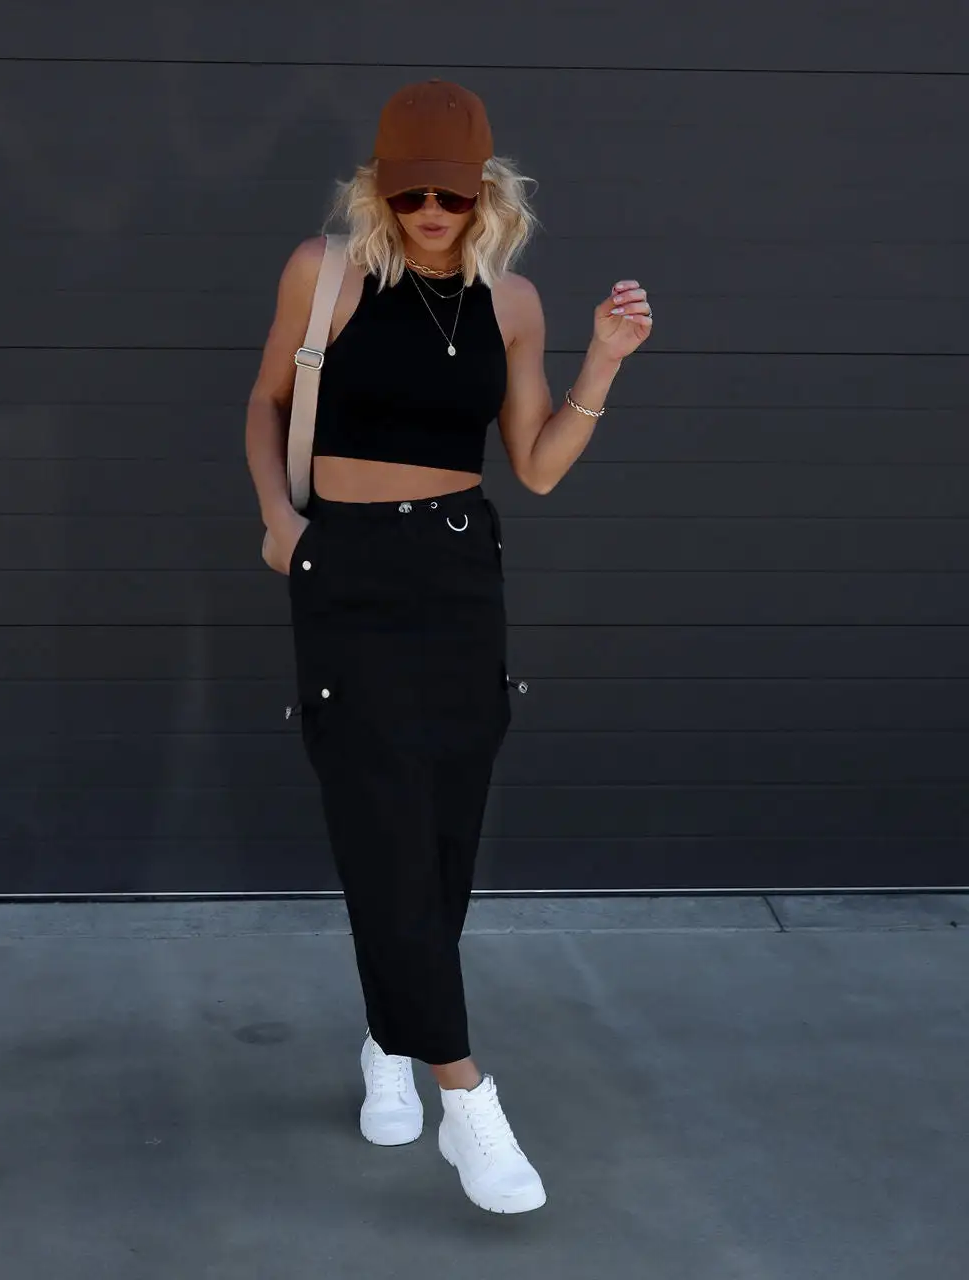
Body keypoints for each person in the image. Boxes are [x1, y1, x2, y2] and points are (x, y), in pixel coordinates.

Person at [244, 78, 652, 1215]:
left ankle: (390, 1038)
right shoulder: (323, 273)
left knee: (442, 836)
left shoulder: (511, 302)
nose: (431, 212)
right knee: (379, 819)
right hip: (345, 569)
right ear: (379, 188)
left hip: (461, 572)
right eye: (410, 192)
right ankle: (466, 1097)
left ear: (486, 193)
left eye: (452, 195)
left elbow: (537, 465)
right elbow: (265, 403)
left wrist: (603, 360)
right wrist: (284, 527)